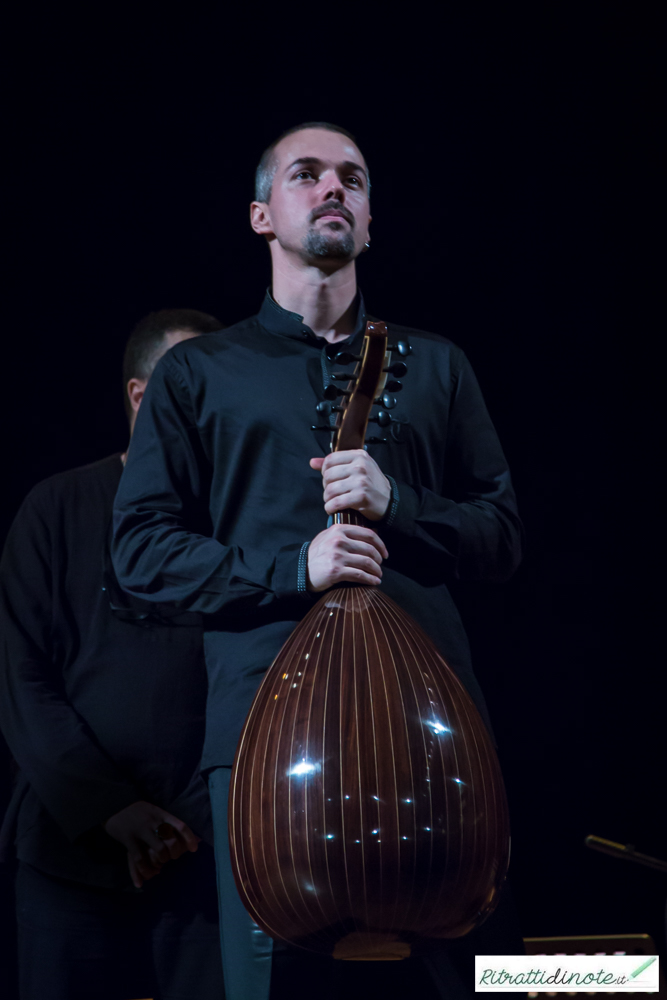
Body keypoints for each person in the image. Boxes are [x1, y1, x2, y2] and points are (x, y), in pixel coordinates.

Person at [112, 124, 525, 1000]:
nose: (332, 187)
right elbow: (142, 553)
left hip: (425, 723)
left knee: (446, 975)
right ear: (263, 214)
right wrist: (292, 568)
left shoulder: (440, 365)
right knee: (267, 982)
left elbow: (501, 537)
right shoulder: (200, 375)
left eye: (353, 179)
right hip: (264, 722)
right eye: (306, 175)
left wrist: (398, 503)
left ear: (369, 222)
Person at [0, 308, 226, 1000]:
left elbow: (268, 685)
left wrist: (192, 818)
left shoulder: (238, 526)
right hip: (70, 851)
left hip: (207, 857)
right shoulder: (57, 507)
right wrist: (111, 810)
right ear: (140, 395)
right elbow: (21, 680)